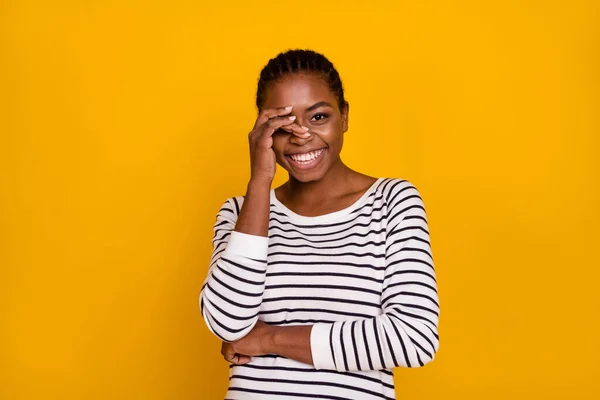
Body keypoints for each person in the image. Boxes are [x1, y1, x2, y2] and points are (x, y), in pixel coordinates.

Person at [199, 49, 440, 400]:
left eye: (318, 117)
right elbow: (226, 323)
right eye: (283, 124)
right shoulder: (240, 212)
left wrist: (269, 339)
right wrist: (259, 182)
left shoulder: (392, 201)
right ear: (263, 131)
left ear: (344, 116)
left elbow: (413, 338)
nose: (300, 136)